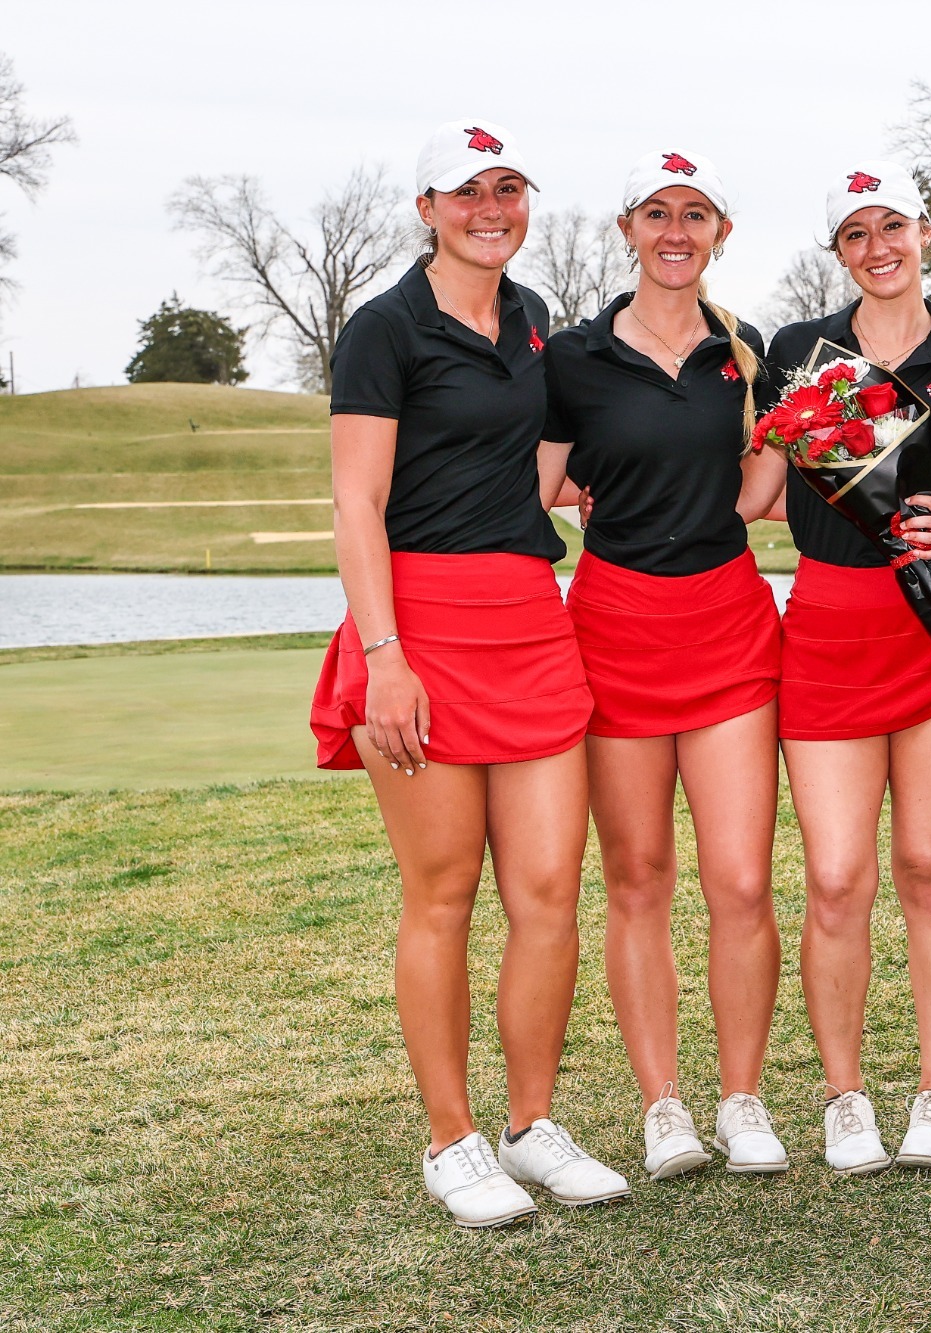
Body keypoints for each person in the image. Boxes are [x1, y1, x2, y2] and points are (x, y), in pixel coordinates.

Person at [308, 120, 627, 1228]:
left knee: (546, 894)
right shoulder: (383, 328)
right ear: (427, 209)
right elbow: (356, 502)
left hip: (528, 619)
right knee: (442, 893)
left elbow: (524, 463)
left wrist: (583, 481)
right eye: (467, 193)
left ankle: (529, 1126)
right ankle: (451, 1139)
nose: (491, 208)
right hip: (421, 622)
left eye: (508, 190)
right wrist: (383, 657)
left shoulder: (532, 317)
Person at [538, 149, 790, 1181]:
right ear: (626, 229)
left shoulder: (746, 348)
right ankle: (662, 1109)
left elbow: (759, 486)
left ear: (720, 231)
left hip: (728, 624)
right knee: (637, 878)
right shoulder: (573, 354)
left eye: (696, 213)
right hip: (613, 628)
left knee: (739, 878)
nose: (675, 230)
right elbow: (539, 480)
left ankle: (741, 1099)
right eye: (656, 212)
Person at [762, 160, 931, 1175]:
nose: (878, 248)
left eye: (892, 227)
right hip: (827, 619)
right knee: (833, 876)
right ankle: (844, 1096)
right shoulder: (795, 351)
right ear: (838, 252)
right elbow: (764, 487)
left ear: (924, 230)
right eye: (855, 234)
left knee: (927, 864)